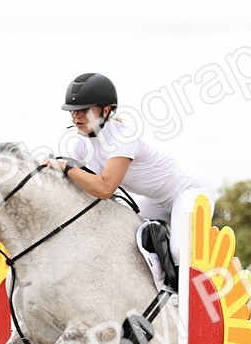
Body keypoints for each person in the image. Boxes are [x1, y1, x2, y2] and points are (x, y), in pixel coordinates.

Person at [44, 72, 213, 292]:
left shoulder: (122, 137)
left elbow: (105, 188)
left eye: (84, 110)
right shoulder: (79, 145)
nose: (77, 116)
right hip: (155, 201)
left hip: (188, 189)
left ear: (106, 110)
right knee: (126, 240)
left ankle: (195, 302)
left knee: (180, 250)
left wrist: (67, 168)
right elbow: (81, 187)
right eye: (73, 111)